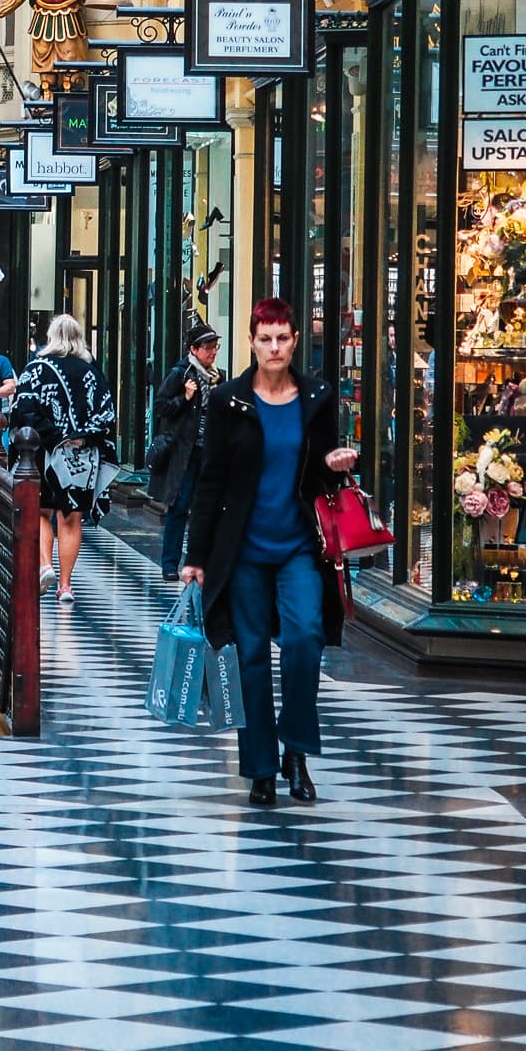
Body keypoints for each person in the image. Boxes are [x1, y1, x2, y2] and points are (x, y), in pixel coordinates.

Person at [182, 297, 358, 808]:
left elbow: (323, 473)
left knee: (306, 638)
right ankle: (260, 768)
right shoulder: (228, 401)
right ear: (252, 341)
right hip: (243, 551)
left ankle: (296, 750)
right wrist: (197, 555)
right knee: (252, 655)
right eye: (265, 339)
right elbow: (210, 480)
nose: (275, 347)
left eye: (283, 338)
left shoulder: (317, 397)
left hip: (300, 544)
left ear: (295, 339)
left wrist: (337, 462)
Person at [10, 314, 117, 601]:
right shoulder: (91, 372)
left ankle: (45, 565)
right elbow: (107, 415)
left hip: (45, 453)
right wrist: (82, 436)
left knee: (42, 512)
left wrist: (52, 434)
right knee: (72, 518)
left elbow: (23, 410)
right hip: (82, 456)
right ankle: (66, 585)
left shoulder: (36, 369)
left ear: (51, 337)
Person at [148, 322, 221, 580]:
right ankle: (170, 563)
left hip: (208, 452)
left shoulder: (216, 376)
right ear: (194, 349)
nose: (213, 352)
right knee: (179, 505)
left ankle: (199, 561)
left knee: (205, 507)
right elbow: (160, 406)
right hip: (184, 453)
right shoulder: (181, 374)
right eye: (209, 348)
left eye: (215, 347)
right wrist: (185, 398)